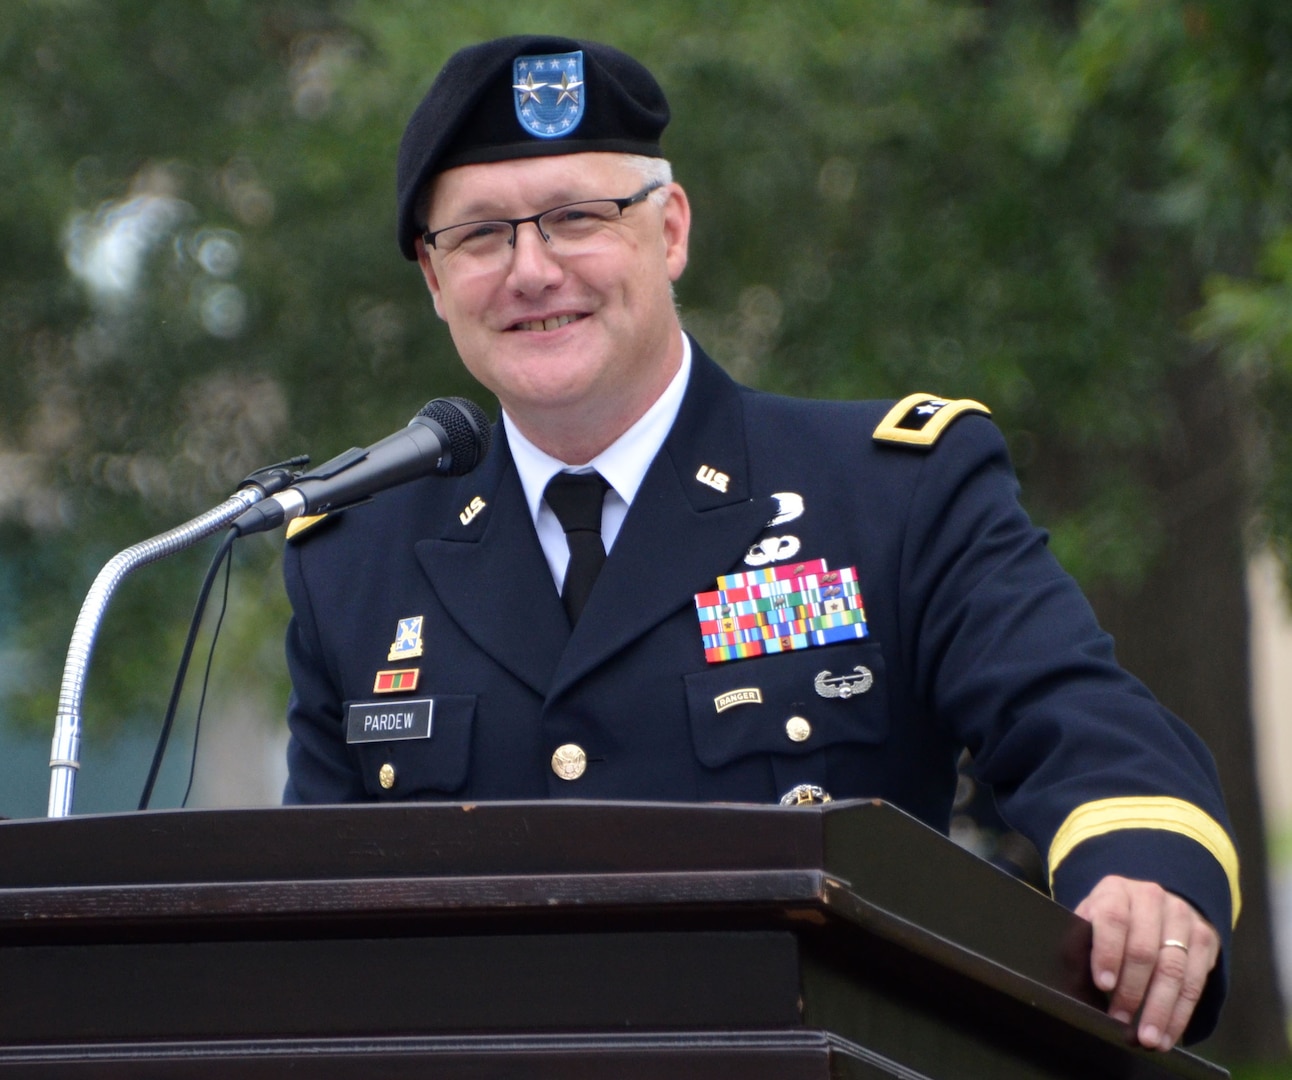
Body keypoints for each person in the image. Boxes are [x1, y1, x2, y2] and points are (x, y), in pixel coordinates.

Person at [280, 35, 1239, 1052]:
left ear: (671, 230)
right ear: (433, 277)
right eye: (479, 236)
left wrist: (1139, 875)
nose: (531, 270)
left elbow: (1074, 718)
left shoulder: (888, 493)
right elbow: (311, 921)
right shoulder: (354, 557)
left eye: (575, 218)